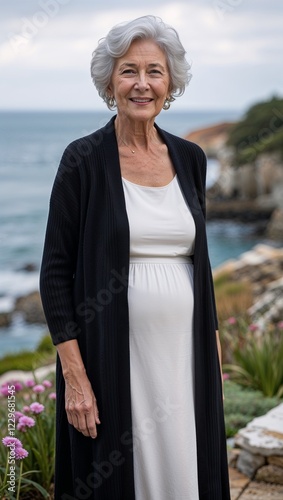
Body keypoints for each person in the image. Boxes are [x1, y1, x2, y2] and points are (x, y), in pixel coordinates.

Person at [40, 15, 231, 500]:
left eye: (154, 72)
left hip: (184, 358)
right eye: (128, 71)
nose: (141, 84)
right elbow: (55, 273)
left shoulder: (190, 159)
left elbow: (199, 264)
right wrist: (76, 378)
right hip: (110, 361)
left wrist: (214, 356)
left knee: (188, 470)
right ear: (110, 82)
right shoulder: (81, 160)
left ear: (171, 84)